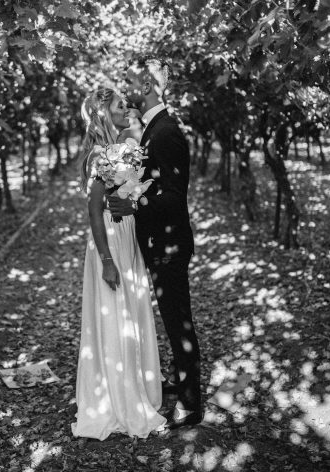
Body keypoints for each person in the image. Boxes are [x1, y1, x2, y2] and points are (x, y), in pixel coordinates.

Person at [107, 57, 203, 430]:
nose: (127, 86)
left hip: (169, 245)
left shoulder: (166, 132)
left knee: (178, 321)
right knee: (172, 318)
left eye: (131, 80)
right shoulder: (152, 129)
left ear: (147, 85)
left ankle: (191, 404)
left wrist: (135, 204)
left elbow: (174, 197)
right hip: (158, 243)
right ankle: (181, 381)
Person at [71, 87, 167, 440]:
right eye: (119, 106)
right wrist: (107, 261)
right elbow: (94, 211)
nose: (126, 108)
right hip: (110, 241)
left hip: (126, 234)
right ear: (103, 114)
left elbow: (123, 195)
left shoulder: (121, 148)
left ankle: (136, 384)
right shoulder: (100, 156)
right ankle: (117, 397)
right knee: (116, 314)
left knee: (132, 309)